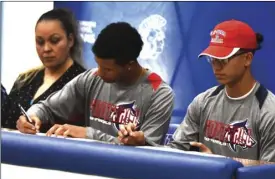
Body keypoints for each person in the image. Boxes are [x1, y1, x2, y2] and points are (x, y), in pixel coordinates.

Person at [118, 19, 275, 163]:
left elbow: (271, 178)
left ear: (247, 58)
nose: (216, 67)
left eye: (223, 60)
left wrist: (219, 165)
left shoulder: (271, 113)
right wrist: (143, 144)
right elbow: (175, 153)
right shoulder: (203, 102)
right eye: (212, 60)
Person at [16, 22, 175, 146]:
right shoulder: (91, 78)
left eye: (107, 69)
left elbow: (148, 149)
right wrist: (31, 117)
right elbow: (47, 107)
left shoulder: (160, 93)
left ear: (129, 65)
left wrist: (88, 134)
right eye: (98, 65)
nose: (99, 72)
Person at [1, 8, 86, 131]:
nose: (46, 48)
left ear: (70, 40)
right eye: (40, 42)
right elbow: (5, 121)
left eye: (54, 41)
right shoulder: (25, 79)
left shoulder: (83, 83)